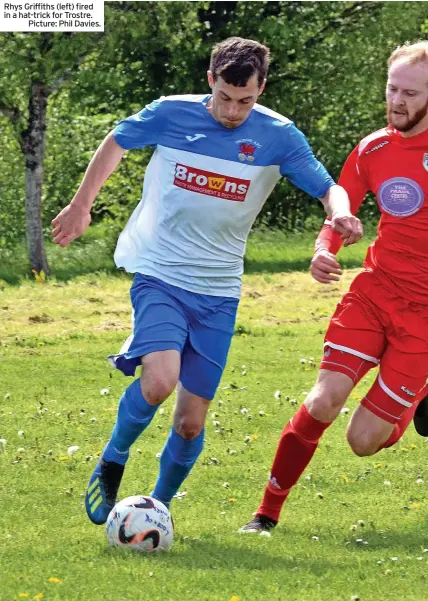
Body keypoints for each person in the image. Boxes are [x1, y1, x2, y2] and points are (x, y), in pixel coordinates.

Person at [51, 37, 361, 527]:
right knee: (158, 381)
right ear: (210, 80)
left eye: (247, 101)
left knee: (190, 423)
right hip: (160, 272)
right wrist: (82, 204)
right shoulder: (169, 114)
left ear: (261, 89)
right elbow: (116, 141)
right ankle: (113, 458)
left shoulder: (277, 135)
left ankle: (157, 511)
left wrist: (340, 213)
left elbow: (327, 186)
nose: (234, 111)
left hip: (219, 291)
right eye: (225, 98)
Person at [239, 40, 428, 536]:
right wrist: (325, 247)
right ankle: (266, 514)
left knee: (363, 440)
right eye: (393, 88)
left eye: (410, 92)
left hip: (424, 319)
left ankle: (416, 392)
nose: (397, 101)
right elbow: (340, 211)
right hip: (374, 294)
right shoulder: (374, 148)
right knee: (324, 400)